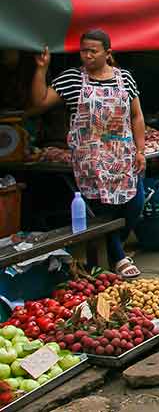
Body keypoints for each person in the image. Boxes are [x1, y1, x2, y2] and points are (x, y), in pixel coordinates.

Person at [29, 30, 144, 278]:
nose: (87, 55)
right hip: (90, 159)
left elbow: (136, 115)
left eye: (93, 50)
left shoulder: (125, 78)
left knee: (135, 203)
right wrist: (41, 69)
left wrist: (140, 150)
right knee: (100, 211)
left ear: (108, 53)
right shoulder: (72, 79)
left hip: (122, 155)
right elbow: (39, 103)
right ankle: (119, 258)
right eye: (83, 50)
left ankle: (112, 248)